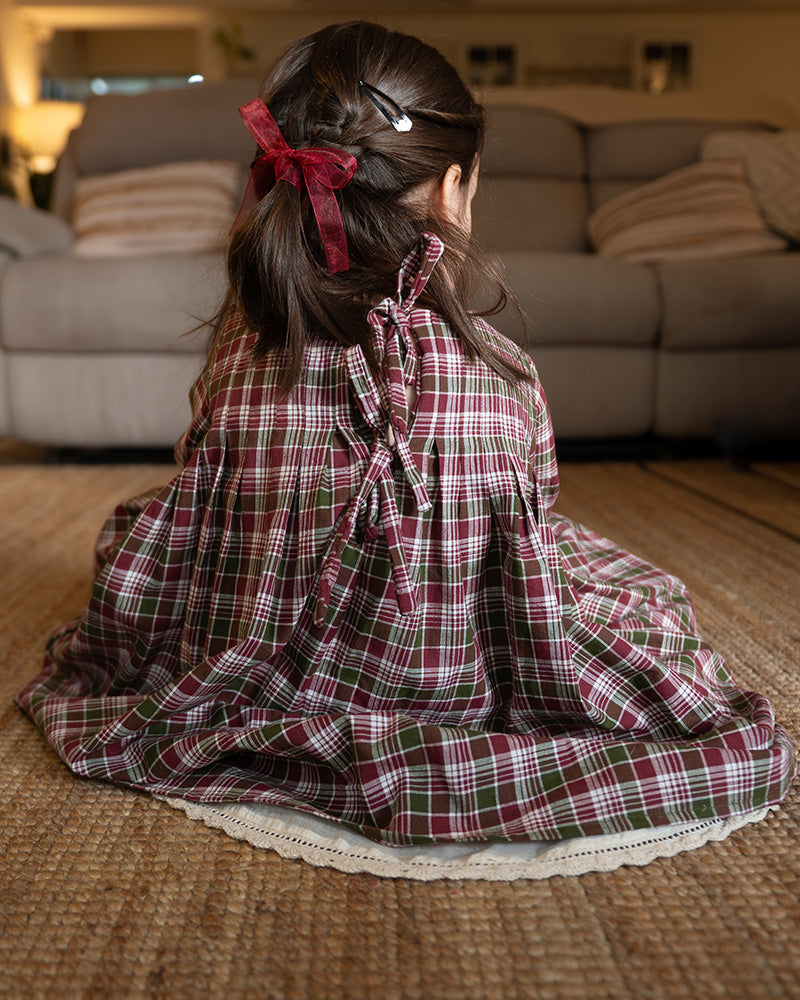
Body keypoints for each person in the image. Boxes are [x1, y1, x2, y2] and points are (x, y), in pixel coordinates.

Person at [17, 21, 795, 846]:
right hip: (452, 671)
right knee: (627, 589)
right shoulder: (503, 377)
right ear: (450, 191)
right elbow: (525, 542)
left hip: (256, 659)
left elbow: (203, 517)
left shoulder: (240, 359)